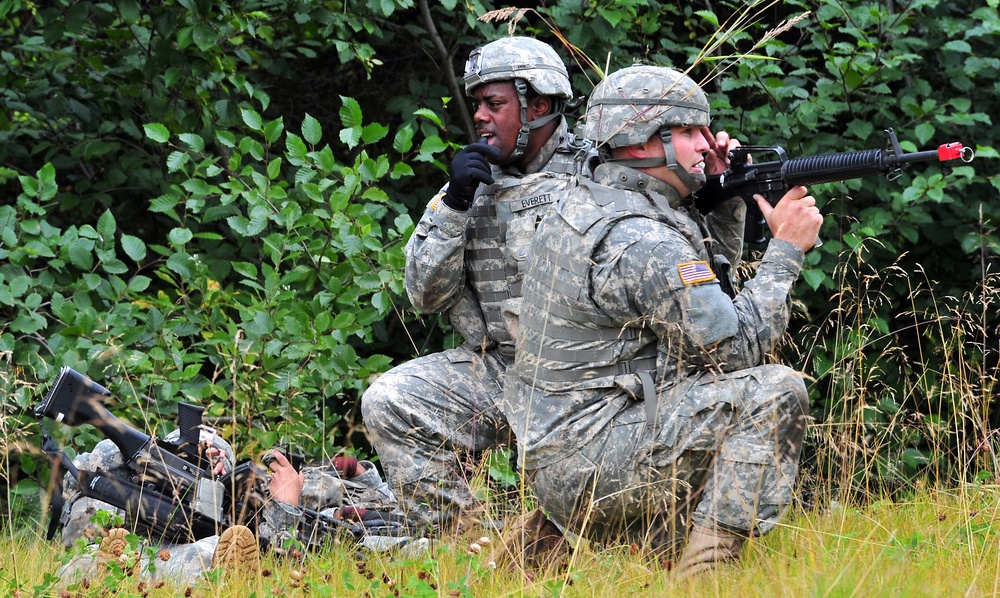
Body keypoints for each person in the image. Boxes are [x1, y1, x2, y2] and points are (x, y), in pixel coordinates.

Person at [502, 64, 822, 575]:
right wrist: (784, 251)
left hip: (558, 457)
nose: (706, 143)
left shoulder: (584, 201)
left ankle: (528, 561)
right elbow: (734, 350)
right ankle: (704, 580)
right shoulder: (645, 240)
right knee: (775, 392)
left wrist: (725, 202)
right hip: (596, 464)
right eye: (690, 131)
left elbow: (697, 307)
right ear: (637, 142)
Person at [361, 36, 595, 530]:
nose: (482, 117)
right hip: (501, 370)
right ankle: (471, 548)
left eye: (495, 104)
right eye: (478, 106)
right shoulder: (470, 181)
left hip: (586, 377)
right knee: (389, 400)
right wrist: (455, 206)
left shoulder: (600, 175)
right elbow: (424, 296)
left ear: (540, 104)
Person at [55, 429, 397, 586]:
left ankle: (120, 573)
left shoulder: (276, 487)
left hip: (234, 537)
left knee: (209, 549)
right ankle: (115, 571)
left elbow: (284, 552)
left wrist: (290, 504)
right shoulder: (119, 469)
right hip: (124, 524)